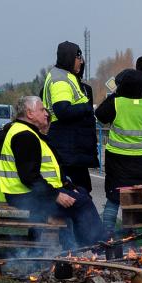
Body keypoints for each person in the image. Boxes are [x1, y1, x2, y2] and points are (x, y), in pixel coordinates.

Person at [0, 95, 106, 249]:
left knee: (81, 192)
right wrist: (56, 195)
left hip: (30, 193)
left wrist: (67, 185)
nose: (46, 113)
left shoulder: (28, 132)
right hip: (24, 195)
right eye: (42, 110)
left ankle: (83, 246)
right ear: (30, 113)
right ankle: (96, 246)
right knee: (82, 203)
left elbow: (47, 170)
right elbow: (29, 177)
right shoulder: (24, 136)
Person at [95, 68, 142, 229]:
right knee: (138, 199)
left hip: (117, 160)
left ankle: (108, 234)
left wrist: (116, 94)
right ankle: (139, 237)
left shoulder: (117, 102)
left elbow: (100, 115)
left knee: (113, 198)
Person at [43, 41, 98, 190]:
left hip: (71, 148)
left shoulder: (66, 75)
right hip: (67, 146)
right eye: (78, 58)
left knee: (82, 190)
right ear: (70, 58)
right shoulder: (60, 79)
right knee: (78, 192)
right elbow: (63, 111)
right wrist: (86, 108)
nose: (81, 62)